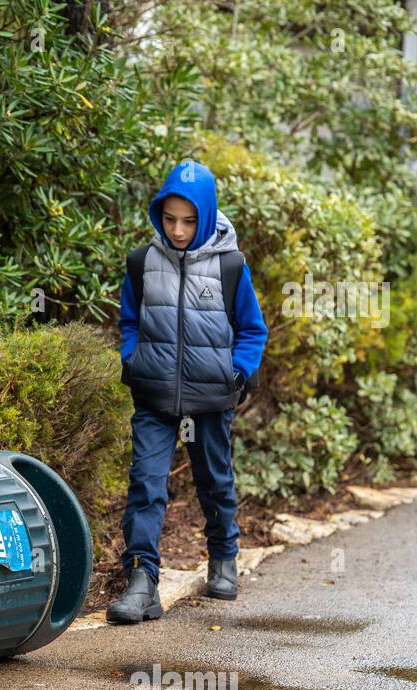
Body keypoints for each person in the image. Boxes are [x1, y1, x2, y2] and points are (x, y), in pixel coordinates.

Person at [107, 160, 268, 624]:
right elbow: (131, 321)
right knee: (146, 484)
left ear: (207, 214)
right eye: (170, 218)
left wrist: (236, 374)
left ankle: (223, 556)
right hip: (154, 395)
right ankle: (142, 581)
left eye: (189, 220)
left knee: (214, 480)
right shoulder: (142, 263)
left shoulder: (230, 266)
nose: (178, 230)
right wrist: (132, 359)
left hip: (210, 398)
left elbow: (252, 330)